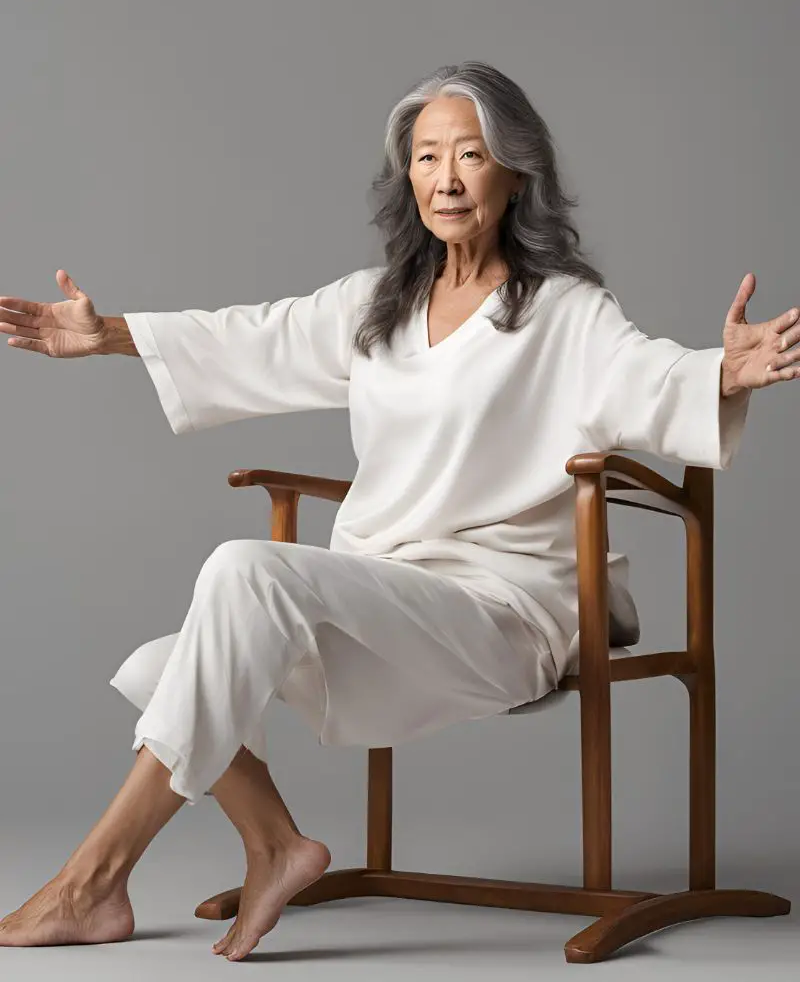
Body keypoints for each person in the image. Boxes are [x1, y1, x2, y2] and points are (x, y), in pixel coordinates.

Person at [0, 61, 794, 962]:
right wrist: (106, 335)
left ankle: (92, 883)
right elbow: (253, 333)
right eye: (426, 157)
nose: (447, 178)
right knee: (160, 668)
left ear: (516, 173)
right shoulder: (379, 306)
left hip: (503, 615)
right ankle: (278, 846)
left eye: (471, 155)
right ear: (406, 175)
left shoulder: (565, 313)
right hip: (390, 603)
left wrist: (722, 370)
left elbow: (646, 375)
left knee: (239, 570)